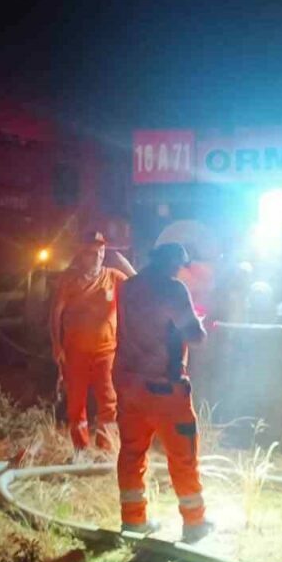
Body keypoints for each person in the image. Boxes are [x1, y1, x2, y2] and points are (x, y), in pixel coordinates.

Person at [113, 242, 214, 542]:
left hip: (130, 387)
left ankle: (133, 521)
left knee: (131, 453)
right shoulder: (173, 289)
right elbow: (195, 336)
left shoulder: (128, 287)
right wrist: (199, 321)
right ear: (173, 264)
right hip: (165, 389)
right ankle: (194, 523)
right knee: (183, 455)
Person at [49, 231, 134, 461]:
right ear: (81, 254)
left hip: (106, 353)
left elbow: (139, 285)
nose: (97, 257)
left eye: (101, 252)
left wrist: (122, 261)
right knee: (76, 404)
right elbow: (55, 314)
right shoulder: (69, 280)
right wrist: (56, 345)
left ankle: (106, 450)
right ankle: (80, 450)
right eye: (91, 253)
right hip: (75, 353)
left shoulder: (113, 277)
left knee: (108, 402)